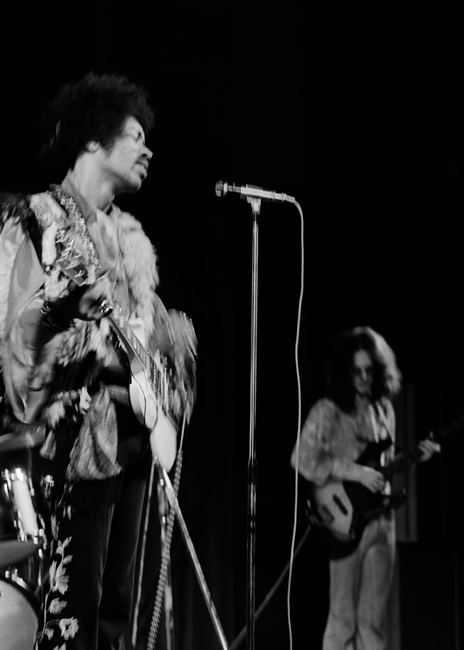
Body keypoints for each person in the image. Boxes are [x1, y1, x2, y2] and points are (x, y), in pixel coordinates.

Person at [0, 72, 197, 650]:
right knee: (72, 613)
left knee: (119, 615)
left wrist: (167, 370)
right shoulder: (38, 219)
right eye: (135, 134)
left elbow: (156, 343)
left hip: (131, 437)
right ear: (92, 140)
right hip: (70, 442)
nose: (148, 147)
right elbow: (15, 341)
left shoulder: (130, 243)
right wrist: (67, 326)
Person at [291, 326, 439, 650]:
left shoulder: (384, 410)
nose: (362, 377)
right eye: (356, 371)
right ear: (345, 371)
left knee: (372, 624)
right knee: (342, 620)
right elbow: (301, 458)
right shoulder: (329, 410)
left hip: (382, 522)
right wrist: (355, 472)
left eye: (368, 371)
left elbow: (385, 468)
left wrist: (416, 457)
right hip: (345, 522)